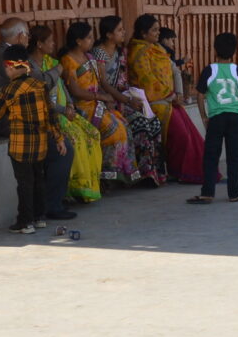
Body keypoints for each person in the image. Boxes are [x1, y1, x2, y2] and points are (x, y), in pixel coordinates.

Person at [0, 43, 66, 234]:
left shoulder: (9, 91)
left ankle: (25, 222)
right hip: (40, 143)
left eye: (6, 67)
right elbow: (51, 114)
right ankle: (39, 217)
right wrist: (59, 138)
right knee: (38, 180)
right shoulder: (40, 86)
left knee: (24, 184)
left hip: (20, 146)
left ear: (9, 66)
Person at [93, 14, 167, 186]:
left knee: (153, 122)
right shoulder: (99, 52)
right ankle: (139, 172)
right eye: (119, 30)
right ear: (108, 34)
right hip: (107, 100)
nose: (123, 32)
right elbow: (103, 83)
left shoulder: (121, 51)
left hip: (122, 98)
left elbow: (124, 81)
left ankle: (153, 170)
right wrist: (127, 101)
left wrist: (133, 98)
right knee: (140, 123)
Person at [28, 24, 94, 212]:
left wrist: (70, 105)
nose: (54, 44)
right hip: (44, 118)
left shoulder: (51, 62)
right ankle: (63, 197)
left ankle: (88, 188)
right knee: (70, 146)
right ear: (39, 44)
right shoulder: (30, 65)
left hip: (60, 114)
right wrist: (62, 110)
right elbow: (42, 88)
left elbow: (62, 87)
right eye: (50, 41)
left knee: (91, 135)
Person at [61, 21, 132, 186]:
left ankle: (118, 173)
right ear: (78, 41)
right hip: (83, 106)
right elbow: (75, 91)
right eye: (89, 38)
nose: (93, 41)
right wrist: (100, 97)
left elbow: (100, 82)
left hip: (97, 103)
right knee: (114, 131)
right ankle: (105, 177)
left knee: (123, 125)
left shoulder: (89, 57)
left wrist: (107, 99)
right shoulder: (68, 61)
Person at [186, 32, 238, 205]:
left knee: (211, 156)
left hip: (216, 117)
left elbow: (200, 95)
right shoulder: (236, 69)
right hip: (235, 117)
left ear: (215, 50)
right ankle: (234, 193)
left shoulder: (210, 69)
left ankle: (207, 193)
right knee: (234, 156)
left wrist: (204, 117)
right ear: (234, 51)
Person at [157, 26, 204, 182]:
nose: (172, 43)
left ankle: (178, 169)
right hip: (161, 100)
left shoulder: (162, 52)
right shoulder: (156, 53)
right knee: (181, 136)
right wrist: (177, 94)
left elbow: (174, 71)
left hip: (170, 99)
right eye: (170, 39)